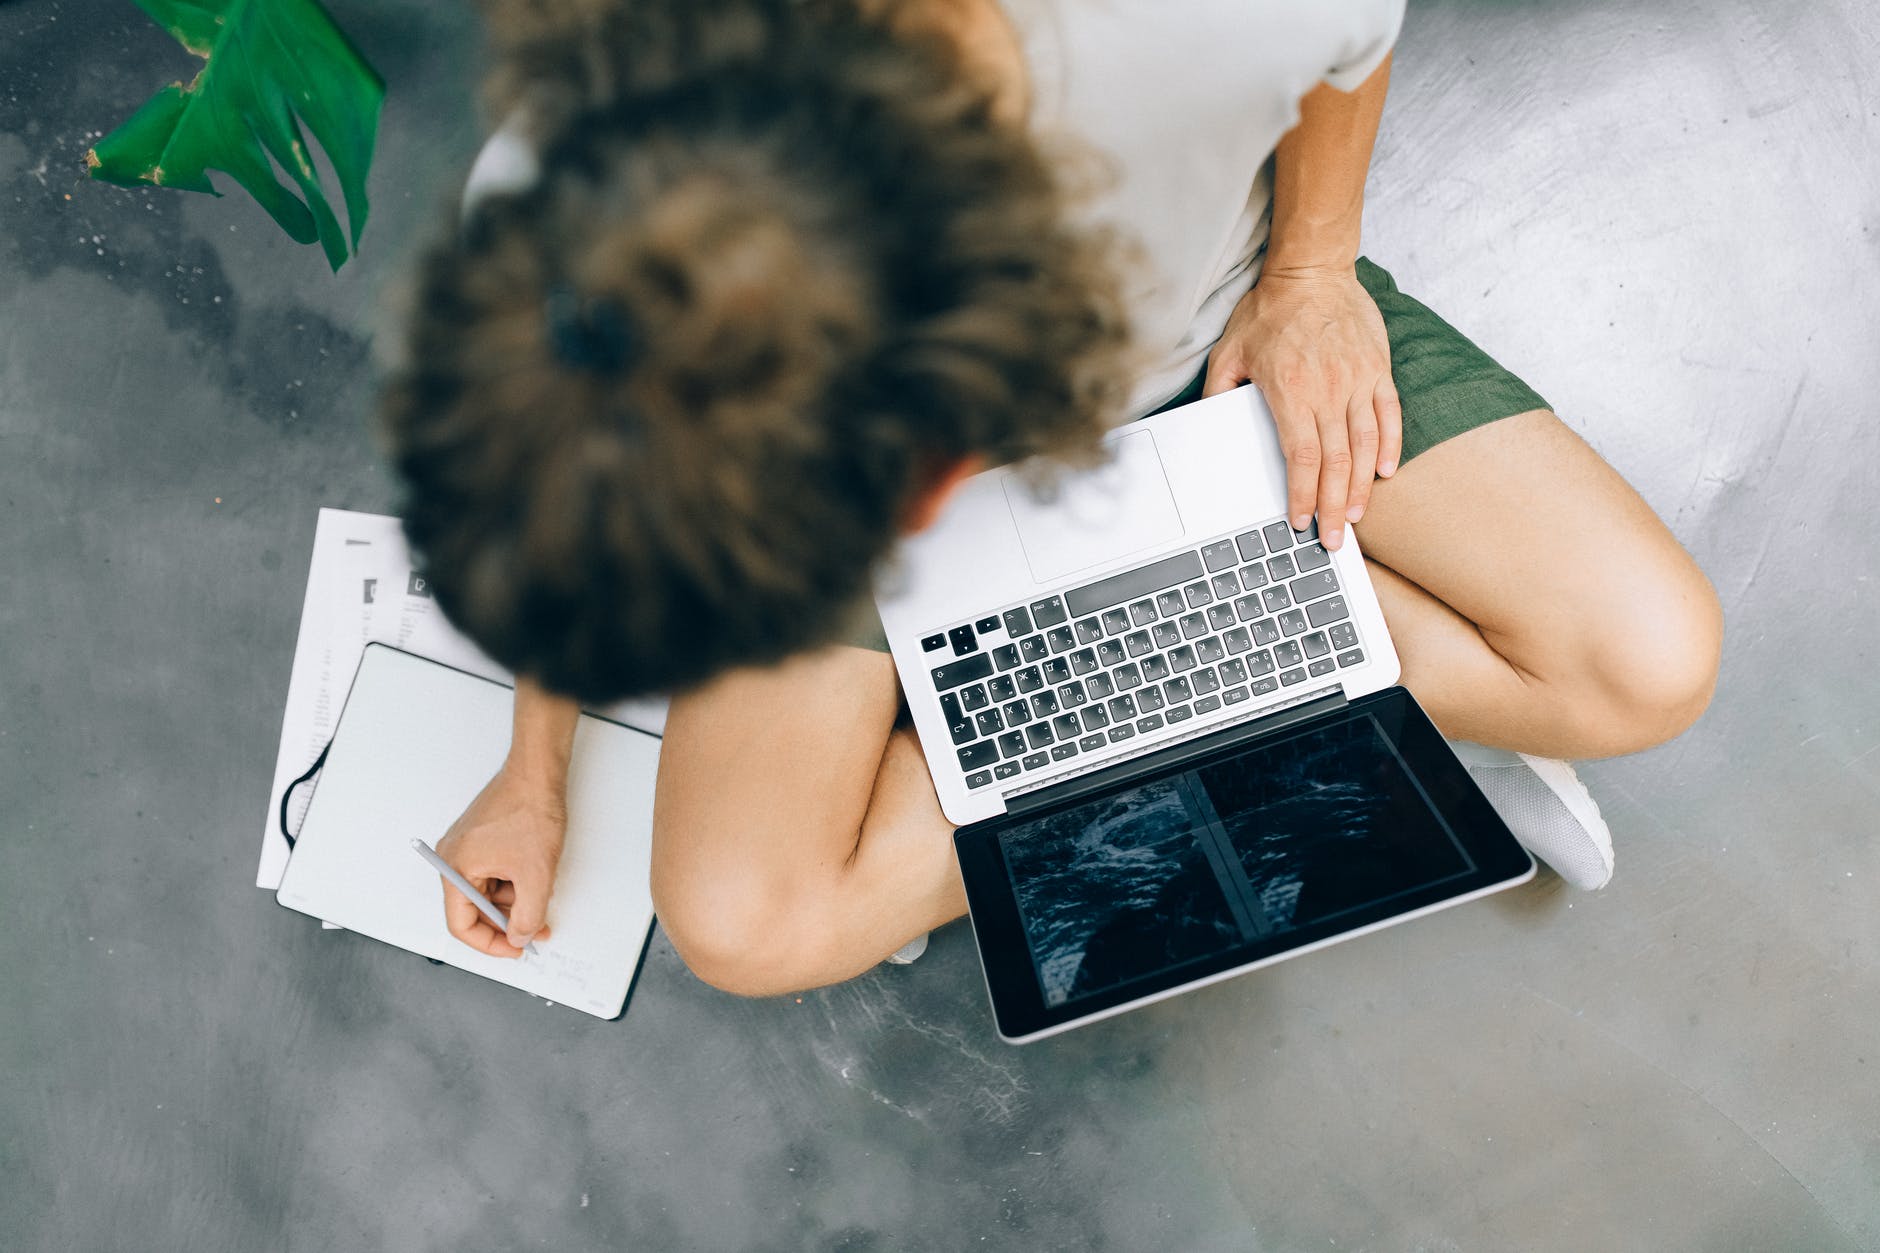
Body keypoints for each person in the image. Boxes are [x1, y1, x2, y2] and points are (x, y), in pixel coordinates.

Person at [383, 0, 1722, 995]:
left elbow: (1346, 33)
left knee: (1644, 664)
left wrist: (1313, 272)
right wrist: (531, 771)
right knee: (742, 919)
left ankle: (1070, 729)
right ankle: (1331, 709)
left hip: (1208, 348)